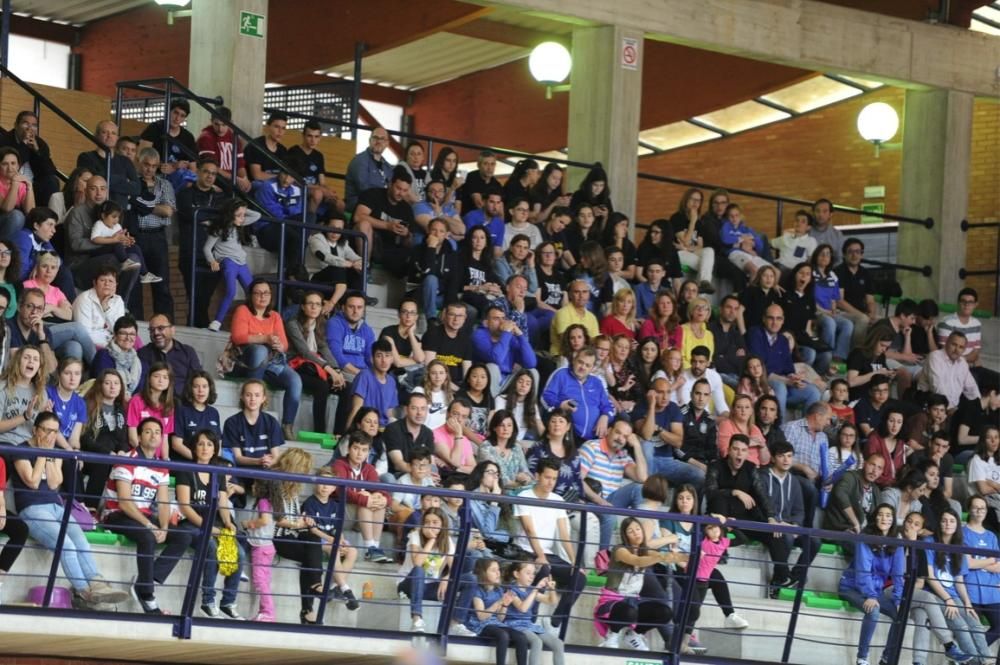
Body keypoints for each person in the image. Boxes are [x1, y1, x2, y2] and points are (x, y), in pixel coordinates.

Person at [11, 411, 130, 609]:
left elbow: (54, 483)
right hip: (32, 508)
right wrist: (42, 452)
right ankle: (84, 591)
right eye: (46, 430)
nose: (50, 436)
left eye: (54, 432)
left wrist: (48, 454)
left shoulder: (55, 451)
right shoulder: (21, 450)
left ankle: (97, 583)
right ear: (35, 430)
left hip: (56, 507)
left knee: (81, 541)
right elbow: (32, 481)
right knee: (66, 545)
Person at [100, 417, 194, 614]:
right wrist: (151, 526)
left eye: (157, 432)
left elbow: (163, 502)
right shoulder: (126, 461)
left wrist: (164, 528)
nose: (153, 435)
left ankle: (145, 581)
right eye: (148, 431)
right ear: (139, 436)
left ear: (162, 438)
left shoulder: (161, 466)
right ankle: (147, 595)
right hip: (116, 514)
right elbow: (125, 503)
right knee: (147, 535)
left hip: (142, 516)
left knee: (184, 536)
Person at [174, 430, 244, 619]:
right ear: (194, 447)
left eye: (209, 444)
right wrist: (208, 529)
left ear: (215, 449)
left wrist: (228, 522)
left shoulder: (217, 473)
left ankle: (228, 602)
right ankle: (208, 600)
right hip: (191, 524)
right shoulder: (185, 471)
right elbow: (185, 507)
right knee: (211, 547)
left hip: (214, 524)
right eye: (201, 444)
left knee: (241, 553)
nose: (205, 448)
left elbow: (222, 502)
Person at [513, 457, 586, 636]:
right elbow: (529, 529)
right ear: (537, 476)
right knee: (544, 570)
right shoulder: (524, 496)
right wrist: (540, 556)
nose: (550, 482)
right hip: (524, 551)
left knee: (579, 578)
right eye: (547, 477)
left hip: (546, 553)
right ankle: (530, 620)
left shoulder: (557, 500)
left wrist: (576, 563)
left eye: (554, 478)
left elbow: (564, 535)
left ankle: (556, 620)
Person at [263, 448, 329, 625]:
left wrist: (302, 519)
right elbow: (277, 518)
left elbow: (292, 514)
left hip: (292, 532)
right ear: (294, 466)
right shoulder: (275, 482)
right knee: (311, 557)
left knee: (313, 540)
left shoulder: (292, 485)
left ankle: (313, 591)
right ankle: (308, 607)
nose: (305, 474)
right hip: (277, 536)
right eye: (303, 469)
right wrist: (296, 524)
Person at [229, 279, 302, 440]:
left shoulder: (275, 316)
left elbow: (284, 345)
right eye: (258, 293)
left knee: (295, 380)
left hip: (270, 362)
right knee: (260, 350)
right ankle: (254, 412)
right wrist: (265, 338)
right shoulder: (243, 310)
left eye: (266, 293)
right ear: (251, 296)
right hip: (245, 361)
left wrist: (276, 343)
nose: (263, 296)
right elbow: (238, 336)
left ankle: (287, 426)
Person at [594, 517, 676, 651]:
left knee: (665, 612)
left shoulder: (644, 550)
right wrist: (661, 556)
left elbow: (667, 558)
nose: (636, 533)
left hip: (634, 600)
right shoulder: (619, 550)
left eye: (638, 529)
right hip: (613, 601)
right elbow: (636, 560)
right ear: (625, 535)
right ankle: (612, 634)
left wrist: (687, 557)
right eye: (631, 531)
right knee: (629, 611)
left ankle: (633, 635)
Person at [837, 503, 905, 665]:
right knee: (873, 611)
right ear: (875, 517)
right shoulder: (865, 538)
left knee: (900, 614)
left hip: (875, 590)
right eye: (880, 514)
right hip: (851, 587)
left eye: (888, 515)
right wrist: (871, 595)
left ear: (893, 520)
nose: (884, 518)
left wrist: (897, 600)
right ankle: (862, 658)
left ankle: (887, 659)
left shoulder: (897, 543)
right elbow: (863, 572)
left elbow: (898, 575)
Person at [924, 509, 993, 662]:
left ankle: (986, 661)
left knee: (975, 625)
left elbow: (959, 580)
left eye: (952, 520)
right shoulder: (929, 542)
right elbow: (930, 577)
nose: (948, 524)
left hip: (953, 596)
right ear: (939, 523)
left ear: (957, 524)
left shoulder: (959, 546)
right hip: (936, 595)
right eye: (944, 520)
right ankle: (975, 662)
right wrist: (948, 600)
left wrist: (968, 604)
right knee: (961, 626)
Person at [579, 417, 649, 550]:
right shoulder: (592, 447)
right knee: (609, 515)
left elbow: (642, 478)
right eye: (618, 433)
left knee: (638, 488)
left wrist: (637, 446)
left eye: (625, 436)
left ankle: (636, 543)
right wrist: (599, 500)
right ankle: (602, 559)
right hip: (589, 500)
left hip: (610, 501)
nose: (620, 438)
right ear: (609, 431)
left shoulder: (623, 455)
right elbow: (578, 480)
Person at [762, 440, 821, 596]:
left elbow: (799, 510)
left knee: (814, 541)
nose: (786, 460)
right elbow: (760, 505)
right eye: (782, 456)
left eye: (789, 456)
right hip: (768, 525)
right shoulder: (763, 477)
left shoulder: (794, 481)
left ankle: (794, 577)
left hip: (787, 527)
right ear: (773, 458)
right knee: (786, 537)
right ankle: (778, 578)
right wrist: (775, 521)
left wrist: (795, 524)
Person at [747, 303, 822, 418]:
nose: (774, 322)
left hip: (784, 382)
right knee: (780, 387)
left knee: (813, 392)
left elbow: (788, 368)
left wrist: (794, 377)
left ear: (783, 321)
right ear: (764, 319)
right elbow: (759, 368)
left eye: (778, 319)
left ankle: (805, 431)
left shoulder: (783, 340)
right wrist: (786, 381)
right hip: (763, 382)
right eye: (771, 318)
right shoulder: (755, 334)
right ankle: (780, 430)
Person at [286, 291, 345, 434]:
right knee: (322, 386)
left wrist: (337, 370)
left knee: (345, 388)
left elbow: (324, 348)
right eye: (310, 304)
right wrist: (329, 370)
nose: (314, 307)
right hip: (296, 366)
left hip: (314, 366)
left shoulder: (320, 325)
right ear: (302, 307)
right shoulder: (293, 324)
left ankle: (339, 434)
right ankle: (320, 432)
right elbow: (304, 352)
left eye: (318, 304)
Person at [301, 468, 360, 610]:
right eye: (322, 482)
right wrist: (332, 540)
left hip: (330, 540)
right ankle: (345, 589)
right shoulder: (310, 503)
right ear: (316, 484)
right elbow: (312, 529)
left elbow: (338, 529)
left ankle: (333, 587)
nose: (325, 486)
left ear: (334, 488)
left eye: (329, 483)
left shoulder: (335, 505)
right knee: (334, 549)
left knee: (352, 551)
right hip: (316, 540)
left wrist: (341, 540)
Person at [128, 147, 176, 316]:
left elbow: (168, 211)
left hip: (157, 236)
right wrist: (156, 207)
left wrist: (141, 206)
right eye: (146, 164)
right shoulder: (132, 182)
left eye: (154, 166)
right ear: (138, 163)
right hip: (135, 236)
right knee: (134, 285)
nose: (149, 169)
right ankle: (135, 322)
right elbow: (128, 207)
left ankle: (165, 322)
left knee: (162, 283)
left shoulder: (165, 184)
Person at [332, 431, 391, 563]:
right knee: (366, 497)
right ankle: (369, 548)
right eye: (356, 448)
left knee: (378, 496)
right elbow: (341, 491)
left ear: (368, 452)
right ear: (348, 449)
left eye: (364, 450)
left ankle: (374, 547)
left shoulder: (369, 469)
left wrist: (384, 499)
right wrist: (365, 499)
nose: (359, 453)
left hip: (363, 517)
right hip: (342, 514)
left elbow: (380, 488)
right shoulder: (339, 465)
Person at [636, 377, 705, 487]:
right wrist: (652, 406)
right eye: (660, 392)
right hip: (647, 461)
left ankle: (683, 500)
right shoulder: (641, 407)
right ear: (652, 393)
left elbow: (678, 442)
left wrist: (659, 429)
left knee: (700, 475)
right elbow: (646, 435)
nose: (665, 397)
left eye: (668, 392)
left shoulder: (673, 408)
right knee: (647, 445)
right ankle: (650, 485)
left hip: (667, 461)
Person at [398, 507, 458, 632]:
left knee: (469, 579)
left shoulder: (447, 541)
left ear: (443, 524)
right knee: (419, 571)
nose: (431, 526)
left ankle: (456, 623)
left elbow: (455, 569)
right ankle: (417, 619)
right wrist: (431, 540)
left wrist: (446, 578)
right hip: (408, 585)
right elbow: (417, 563)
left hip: (429, 587)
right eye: (427, 522)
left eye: (435, 522)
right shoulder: (415, 535)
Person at [541, 346, 614, 440]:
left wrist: (605, 416)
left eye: (587, 365)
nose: (583, 367)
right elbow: (545, 397)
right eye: (580, 362)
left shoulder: (596, 382)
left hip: (594, 438)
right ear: (574, 360)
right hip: (567, 436)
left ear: (592, 368)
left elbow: (608, 406)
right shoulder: (561, 374)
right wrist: (560, 404)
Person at [204, 199, 253, 332]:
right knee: (231, 291)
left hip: (241, 262)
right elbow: (207, 248)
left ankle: (253, 322)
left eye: (243, 215)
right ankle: (217, 321)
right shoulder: (220, 228)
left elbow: (256, 216)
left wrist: (242, 209)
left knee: (253, 291)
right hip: (228, 261)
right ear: (229, 214)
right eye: (238, 215)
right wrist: (212, 261)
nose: (242, 218)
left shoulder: (239, 225)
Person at [10, 287, 91, 367]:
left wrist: (42, 338)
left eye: (39, 308)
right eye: (29, 306)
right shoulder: (8, 327)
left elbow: (52, 368)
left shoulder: (43, 331)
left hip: (35, 375)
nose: (34, 312)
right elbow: (16, 365)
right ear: (19, 307)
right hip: (12, 377)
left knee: (74, 346)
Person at [504, 561, 565, 665]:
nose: (531, 577)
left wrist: (551, 589)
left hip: (528, 625)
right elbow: (522, 608)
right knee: (536, 642)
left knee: (558, 643)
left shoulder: (531, 590)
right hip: (514, 624)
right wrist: (536, 589)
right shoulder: (511, 590)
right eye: (528, 573)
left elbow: (552, 601)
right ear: (517, 574)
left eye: (533, 574)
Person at [472, 304, 537, 393]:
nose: (502, 322)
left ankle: (529, 406)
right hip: (487, 381)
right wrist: (506, 333)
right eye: (496, 319)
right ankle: (493, 404)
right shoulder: (479, 334)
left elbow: (531, 363)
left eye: (503, 318)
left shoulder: (509, 337)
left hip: (509, 380)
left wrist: (520, 335)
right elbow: (496, 359)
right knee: (493, 367)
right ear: (486, 323)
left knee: (532, 372)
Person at [0, 111, 60, 207]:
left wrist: (37, 151)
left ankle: (46, 217)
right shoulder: (4, 140)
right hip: (10, 183)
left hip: (32, 184)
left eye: (34, 125)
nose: (29, 128)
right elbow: (13, 165)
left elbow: (49, 170)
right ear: (16, 125)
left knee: (52, 181)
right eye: (25, 123)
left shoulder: (40, 143)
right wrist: (23, 144)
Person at [963, 494, 1000, 646]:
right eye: (976, 507)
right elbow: (968, 564)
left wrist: (979, 561)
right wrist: (990, 561)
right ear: (969, 510)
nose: (979, 511)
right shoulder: (962, 532)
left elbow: (998, 567)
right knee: (974, 631)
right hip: (970, 589)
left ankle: (971, 658)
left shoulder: (991, 536)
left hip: (992, 589)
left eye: (982, 508)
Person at [222, 379, 284, 472]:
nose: (253, 399)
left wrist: (269, 462)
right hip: (241, 474)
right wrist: (258, 461)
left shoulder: (271, 422)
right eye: (248, 395)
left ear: (263, 398)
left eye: (257, 395)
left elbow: (276, 457)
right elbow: (238, 458)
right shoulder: (232, 422)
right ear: (242, 397)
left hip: (265, 474)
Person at [306, 216, 365, 311]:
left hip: (336, 280)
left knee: (356, 273)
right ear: (325, 226)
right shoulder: (316, 239)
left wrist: (359, 263)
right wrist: (346, 263)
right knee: (339, 268)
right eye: (332, 228)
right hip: (316, 277)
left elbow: (357, 257)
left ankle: (358, 298)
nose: (335, 232)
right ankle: (332, 303)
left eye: (339, 229)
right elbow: (324, 257)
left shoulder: (343, 243)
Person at [289, 120, 343, 219]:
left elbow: (322, 181)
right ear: (303, 135)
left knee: (340, 203)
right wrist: (320, 189)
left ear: (320, 138)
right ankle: (309, 226)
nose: (313, 140)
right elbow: (294, 181)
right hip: (299, 188)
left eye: (316, 137)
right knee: (318, 194)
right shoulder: (294, 152)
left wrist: (329, 191)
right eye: (310, 136)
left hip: (315, 188)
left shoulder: (319, 156)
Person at [138, 97, 197, 186]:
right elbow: (141, 155)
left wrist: (175, 167)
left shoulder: (188, 137)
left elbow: (193, 168)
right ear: (168, 111)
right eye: (175, 113)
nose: (177, 118)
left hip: (177, 178)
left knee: (189, 179)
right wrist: (164, 166)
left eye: (182, 115)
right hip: (154, 174)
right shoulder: (154, 128)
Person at [810, 243, 854, 364]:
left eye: (828, 254)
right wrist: (826, 312)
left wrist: (833, 310)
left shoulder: (833, 276)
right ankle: (826, 357)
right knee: (830, 323)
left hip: (829, 311)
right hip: (815, 311)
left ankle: (838, 358)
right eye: (822, 254)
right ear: (816, 256)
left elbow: (834, 299)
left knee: (847, 324)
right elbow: (810, 298)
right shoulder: (810, 273)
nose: (825, 257)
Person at [241, 476, 277, 622]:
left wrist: (248, 523)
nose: (253, 487)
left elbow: (265, 520)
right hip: (266, 546)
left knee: (259, 580)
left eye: (256, 484)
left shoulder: (263, 501)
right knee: (264, 580)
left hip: (261, 546)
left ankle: (268, 612)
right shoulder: (270, 502)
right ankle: (264, 611)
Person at [917, 331, 981, 411]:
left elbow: (971, 388)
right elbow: (937, 387)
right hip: (930, 403)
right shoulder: (935, 357)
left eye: (961, 347)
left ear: (964, 350)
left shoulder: (962, 363)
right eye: (954, 345)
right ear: (946, 343)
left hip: (952, 408)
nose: (956, 350)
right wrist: (950, 409)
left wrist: (979, 406)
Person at [137, 313, 203, 390]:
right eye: (152, 330)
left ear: (172, 330)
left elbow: (198, 381)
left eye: (161, 328)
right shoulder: (144, 353)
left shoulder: (188, 352)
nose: (156, 333)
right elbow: (142, 385)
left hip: (183, 400)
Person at [0, 345, 49, 447]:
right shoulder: (3, 387)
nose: (31, 361)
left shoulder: (41, 393)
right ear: (17, 362)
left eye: (36, 359)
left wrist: (46, 419)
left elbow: (41, 432)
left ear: (39, 367)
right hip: (6, 442)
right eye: (26, 357)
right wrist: (24, 416)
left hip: (30, 445)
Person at [343, 339, 398, 428]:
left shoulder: (392, 382)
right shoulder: (364, 376)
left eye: (387, 356)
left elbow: (389, 413)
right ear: (372, 359)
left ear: (392, 359)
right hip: (365, 427)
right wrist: (348, 435)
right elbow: (356, 408)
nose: (384, 360)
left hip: (382, 429)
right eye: (379, 356)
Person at [823, 453, 884, 534]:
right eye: (872, 465)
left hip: (863, 533)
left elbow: (877, 515)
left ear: (881, 472)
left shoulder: (876, 491)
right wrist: (856, 523)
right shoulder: (850, 476)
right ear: (864, 464)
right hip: (839, 529)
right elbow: (840, 494)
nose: (874, 471)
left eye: (879, 468)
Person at [670, 188, 716, 292]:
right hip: (679, 254)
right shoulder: (677, 218)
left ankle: (704, 282)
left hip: (689, 251)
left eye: (698, 200)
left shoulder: (699, 223)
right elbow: (686, 240)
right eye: (692, 199)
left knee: (709, 251)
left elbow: (700, 246)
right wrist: (692, 222)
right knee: (704, 264)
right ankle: (702, 285)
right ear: (686, 200)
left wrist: (688, 248)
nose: (695, 203)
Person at [196, 106, 250, 193]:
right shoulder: (206, 137)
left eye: (224, 125)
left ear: (230, 123)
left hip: (232, 178)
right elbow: (212, 167)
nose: (220, 129)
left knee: (250, 188)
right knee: (233, 189)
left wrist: (245, 179)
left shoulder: (235, 137)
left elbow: (240, 164)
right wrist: (236, 179)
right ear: (211, 122)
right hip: (214, 176)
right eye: (216, 124)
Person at [835, 237, 878, 346]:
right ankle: (857, 353)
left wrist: (872, 314)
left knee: (881, 322)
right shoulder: (838, 272)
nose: (854, 255)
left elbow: (870, 300)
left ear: (861, 254)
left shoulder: (865, 273)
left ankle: (876, 355)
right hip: (841, 312)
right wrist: (861, 314)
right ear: (844, 254)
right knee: (863, 319)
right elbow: (840, 301)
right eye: (850, 252)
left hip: (861, 311)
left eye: (858, 252)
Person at [170, 370, 221, 460]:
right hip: (186, 465)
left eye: (204, 386)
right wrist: (198, 460)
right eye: (196, 386)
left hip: (209, 465)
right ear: (190, 389)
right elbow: (176, 444)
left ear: (210, 389)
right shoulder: (182, 411)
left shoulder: (214, 413)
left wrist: (211, 462)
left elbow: (218, 444)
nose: (201, 390)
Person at [476, 410, 532, 491]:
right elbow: (497, 478)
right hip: (492, 491)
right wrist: (518, 484)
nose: (506, 429)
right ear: (494, 428)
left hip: (516, 490)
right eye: (502, 425)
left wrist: (525, 478)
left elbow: (526, 471)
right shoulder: (486, 447)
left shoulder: (516, 447)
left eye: (509, 425)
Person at [383, 392, 435, 477]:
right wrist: (422, 473)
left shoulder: (428, 433)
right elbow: (398, 464)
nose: (419, 413)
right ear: (406, 410)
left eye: (423, 409)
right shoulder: (393, 429)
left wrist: (429, 474)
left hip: (422, 477)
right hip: (399, 477)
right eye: (414, 408)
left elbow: (431, 463)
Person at [344, 127, 394, 212]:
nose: (378, 141)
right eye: (375, 138)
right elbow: (364, 189)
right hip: (360, 205)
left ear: (387, 143)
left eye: (382, 139)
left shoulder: (388, 167)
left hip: (381, 206)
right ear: (369, 140)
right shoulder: (360, 161)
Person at [46, 356, 85, 455]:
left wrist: (75, 451)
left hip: (67, 449)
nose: (72, 378)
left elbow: (74, 438)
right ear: (59, 375)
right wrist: (68, 449)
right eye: (67, 373)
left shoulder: (80, 403)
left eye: (77, 374)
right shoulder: (48, 393)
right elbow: (50, 428)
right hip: (48, 445)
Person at [720, 203, 772, 278]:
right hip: (735, 253)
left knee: (774, 272)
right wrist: (742, 238)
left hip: (750, 254)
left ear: (740, 216)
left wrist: (753, 243)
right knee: (754, 270)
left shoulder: (747, 229)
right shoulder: (726, 226)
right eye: (731, 216)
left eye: (737, 215)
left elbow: (760, 245)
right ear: (727, 217)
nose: (734, 218)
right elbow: (725, 239)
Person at [846, 326, 896, 402]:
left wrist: (889, 374)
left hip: (877, 398)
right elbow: (851, 382)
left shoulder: (881, 356)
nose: (884, 349)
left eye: (887, 347)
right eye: (882, 345)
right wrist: (876, 373)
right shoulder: (858, 353)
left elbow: (882, 378)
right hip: (861, 398)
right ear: (874, 341)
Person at [710, 294, 748, 387]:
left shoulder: (736, 334)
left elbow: (744, 360)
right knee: (743, 389)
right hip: (716, 375)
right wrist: (734, 356)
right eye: (729, 307)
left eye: (736, 309)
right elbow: (714, 359)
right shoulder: (709, 329)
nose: (732, 312)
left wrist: (724, 357)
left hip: (736, 375)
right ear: (721, 309)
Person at [967, 426, 1000, 523]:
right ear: (983, 441)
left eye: (996, 437)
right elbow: (984, 490)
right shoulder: (976, 460)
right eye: (989, 437)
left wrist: (992, 483)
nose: (994, 441)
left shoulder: (997, 460)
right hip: (982, 501)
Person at [0, 147, 34, 242]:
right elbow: (7, 208)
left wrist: (29, 187)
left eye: (13, 163)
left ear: (19, 165)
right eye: (4, 164)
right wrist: (14, 184)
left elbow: (30, 211)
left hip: (9, 224)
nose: (10, 168)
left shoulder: (21, 184)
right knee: (17, 216)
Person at [244, 111, 288, 183]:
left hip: (277, 185)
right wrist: (279, 177)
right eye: (276, 127)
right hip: (259, 185)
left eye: (283, 128)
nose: (280, 131)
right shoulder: (256, 146)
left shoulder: (283, 150)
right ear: (268, 127)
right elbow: (257, 176)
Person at [809, 199, 844, 264]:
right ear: (813, 213)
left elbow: (839, 260)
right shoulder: (806, 232)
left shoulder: (837, 235)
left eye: (825, 211)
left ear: (830, 214)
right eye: (817, 211)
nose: (820, 214)